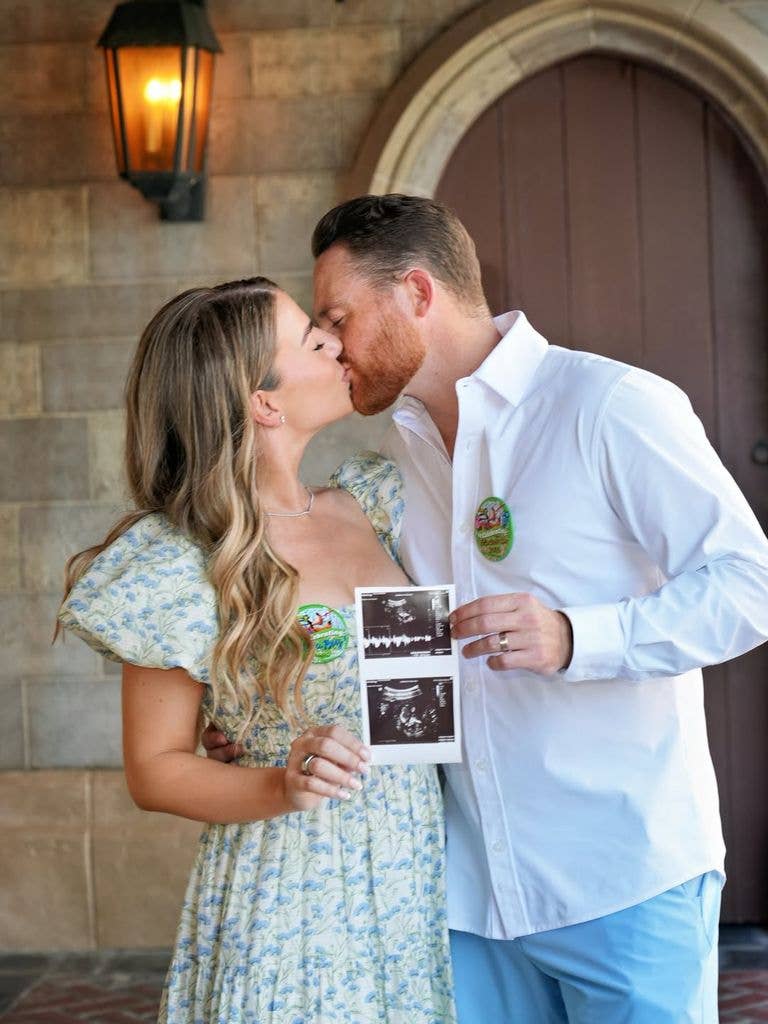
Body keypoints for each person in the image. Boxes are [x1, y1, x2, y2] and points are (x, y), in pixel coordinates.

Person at [207, 194, 768, 1023]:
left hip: (622, 876)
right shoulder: (391, 459)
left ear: (419, 295)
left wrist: (578, 634)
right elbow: (389, 659)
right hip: (466, 900)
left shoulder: (608, 405)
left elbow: (749, 584)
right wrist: (261, 722)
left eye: (339, 316)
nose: (328, 343)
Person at [57, 277, 457, 1024]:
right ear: (263, 403)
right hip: (290, 895)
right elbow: (155, 770)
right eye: (312, 340)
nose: (336, 341)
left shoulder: (375, 501)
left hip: (417, 879)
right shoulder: (181, 561)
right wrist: (283, 783)